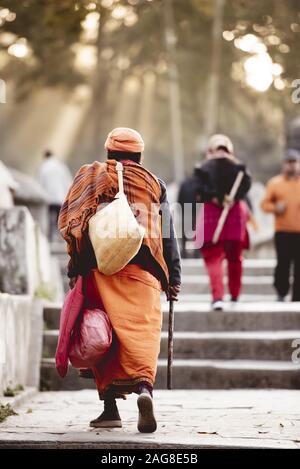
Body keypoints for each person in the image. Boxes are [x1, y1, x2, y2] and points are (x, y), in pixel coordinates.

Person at [58, 127, 181, 433]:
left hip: (102, 268)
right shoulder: (154, 183)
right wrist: (174, 277)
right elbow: (168, 234)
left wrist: (75, 267)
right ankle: (144, 390)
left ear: (109, 152)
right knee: (142, 332)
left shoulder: (90, 176)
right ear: (139, 156)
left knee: (105, 333)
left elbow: (75, 223)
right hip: (146, 269)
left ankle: (110, 409)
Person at [195, 134, 252, 311]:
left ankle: (218, 297)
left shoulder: (203, 168)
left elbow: (198, 191)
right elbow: (245, 188)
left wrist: (216, 198)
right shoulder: (240, 168)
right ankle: (234, 296)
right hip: (234, 214)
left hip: (212, 215)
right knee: (235, 258)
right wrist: (229, 198)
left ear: (211, 150)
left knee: (213, 257)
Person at [261, 148, 300, 301]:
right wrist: (275, 208)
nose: (291, 165)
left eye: (294, 162)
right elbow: (264, 204)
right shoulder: (275, 183)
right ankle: (281, 292)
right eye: (288, 162)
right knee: (283, 264)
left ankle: (297, 297)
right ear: (283, 164)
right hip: (283, 231)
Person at [37, 150, 73, 241]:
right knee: (60, 219)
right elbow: (68, 182)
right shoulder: (61, 167)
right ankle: (61, 238)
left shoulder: (43, 167)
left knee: (49, 219)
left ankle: (50, 238)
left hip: (48, 198)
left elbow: (40, 183)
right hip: (60, 198)